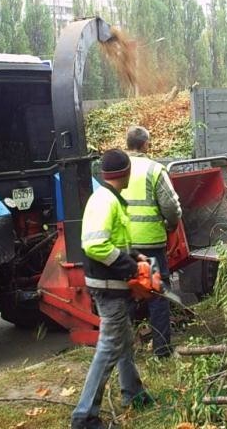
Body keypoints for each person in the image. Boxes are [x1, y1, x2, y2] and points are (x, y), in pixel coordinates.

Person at [71, 149, 154, 429]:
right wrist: (129, 268)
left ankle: (134, 393)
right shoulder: (105, 201)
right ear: (126, 172)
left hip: (112, 284)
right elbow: (94, 245)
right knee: (109, 347)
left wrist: (136, 256)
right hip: (107, 287)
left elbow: (114, 240)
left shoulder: (110, 199)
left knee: (124, 341)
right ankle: (84, 416)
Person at [122, 125, 182, 358]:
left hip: (125, 243)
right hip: (151, 242)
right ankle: (162, 351)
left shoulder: (118, 167)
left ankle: (125, 352)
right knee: (157, 294)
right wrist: (172, 224)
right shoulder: (154, 169)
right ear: (146, 144)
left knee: (126, 294)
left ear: (128, 144)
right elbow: (170, 206)